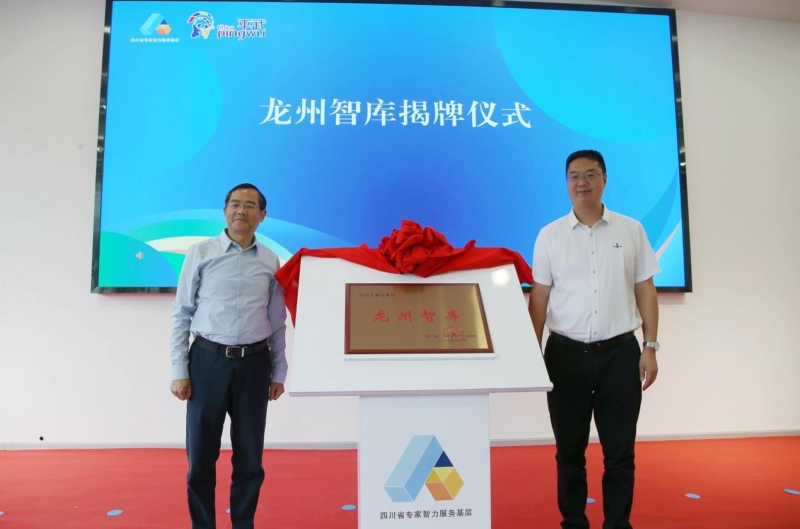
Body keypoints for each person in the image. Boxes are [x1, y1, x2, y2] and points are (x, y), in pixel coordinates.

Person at [528, 150, 660, 529]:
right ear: (566, 183)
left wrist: (650, 347)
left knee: (620, 453)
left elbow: (645, 290)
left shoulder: (630, 230)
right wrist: (531, 355)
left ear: (605, 179)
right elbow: (539, 298)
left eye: (590, 174)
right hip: (565, 356)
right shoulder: (550, 235)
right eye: (574, 176)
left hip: (620, 355)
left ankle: (617, 524)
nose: (582, 182)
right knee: (569, 452)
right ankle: (573, 523)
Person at [169, 183, 288, 529]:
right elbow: (181, 313)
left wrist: (279, 371)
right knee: (200, 458)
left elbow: (277, 320)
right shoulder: (200, 253)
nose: (241, 211)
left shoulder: (270, 260)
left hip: (254, 365)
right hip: (207, 362)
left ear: (262, 215)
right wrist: (179, 370)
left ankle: (243, 523)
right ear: (224, 211)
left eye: (250, 206)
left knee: (250, 459)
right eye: (235, 204)